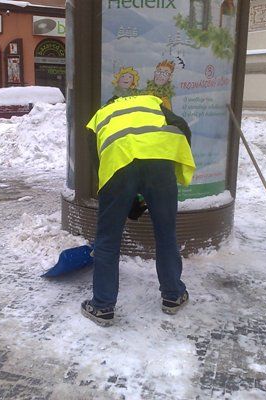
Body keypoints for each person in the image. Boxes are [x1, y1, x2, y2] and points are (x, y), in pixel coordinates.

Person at [81, 94, 196, 327]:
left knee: (108, 238)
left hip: (118, 164)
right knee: (166, 232)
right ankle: (173, 295)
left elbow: (100, 165)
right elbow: (181, 125)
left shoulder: (100, 117)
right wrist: (175, 156)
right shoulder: (150, 102)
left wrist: (124, 199)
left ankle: (102, 306)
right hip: (159, 160)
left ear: (110, 104)